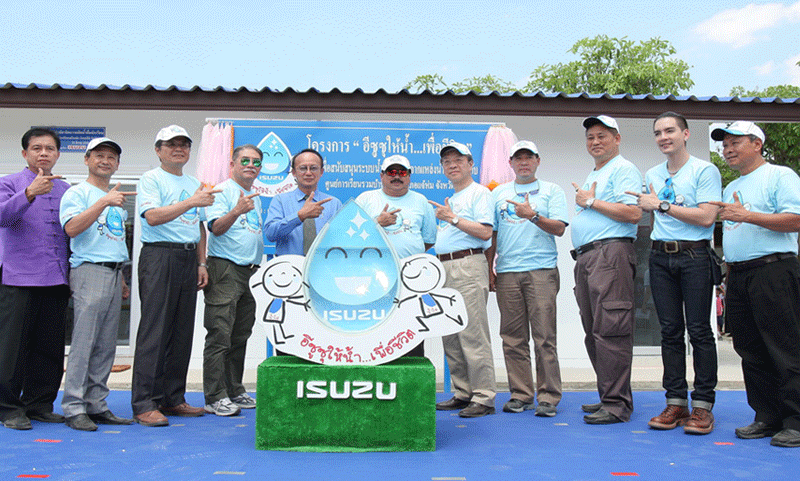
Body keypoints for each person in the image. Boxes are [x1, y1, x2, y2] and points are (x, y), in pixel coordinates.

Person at [628, 112, 721, 434]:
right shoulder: (653, 173)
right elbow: (652, 215)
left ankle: (703, 405)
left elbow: (707, 217)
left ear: (686, 134)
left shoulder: (704, 170)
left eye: (669, 131)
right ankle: (676, 402)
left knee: (699, 331)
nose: (663, 137)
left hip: (695, 256)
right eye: (658, 133)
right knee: (669, 332)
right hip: (660, 257)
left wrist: (661, 205)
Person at [709, 121, 800, 448]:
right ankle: (767, 415)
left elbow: (796, 218)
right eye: (724, 145)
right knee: (750, 348)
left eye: (735, 143)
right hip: (739, 274)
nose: (727, 150)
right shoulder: (732, 186)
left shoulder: (779, 176)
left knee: (784, 346)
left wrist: (747, 215)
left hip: (773, 270)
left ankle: (796, 420)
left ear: (757, 144)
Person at [132, 125, 220, 427]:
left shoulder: (195, 183)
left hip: (187, 258)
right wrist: (192, 201)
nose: (178, 149)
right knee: (155, 330)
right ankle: (145, 402)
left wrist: (201, 263)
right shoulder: (151, 178)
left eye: (184, 144)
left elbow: (199, 226)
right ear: (158, 150)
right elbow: (153, 217)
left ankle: (173, 397)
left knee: (182, 331)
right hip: (159, 255)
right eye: (171, 144)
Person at [59, 137, 136, 431]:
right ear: (87, 159)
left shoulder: (115, 198)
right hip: (89, 270)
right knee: (84, 342)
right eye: (99, 155)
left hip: (114, 272)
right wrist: (103, 201)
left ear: (118, 164)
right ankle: (74, 406)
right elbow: (72, 228)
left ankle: (96, 404)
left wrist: (122, 278)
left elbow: (113, 240)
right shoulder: (77, 193)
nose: (105, 161)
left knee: (105, 345)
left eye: (111, 157)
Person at [486, 140, 567, 417]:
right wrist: (490, 269)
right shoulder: (499, 193)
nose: (524, 162)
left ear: (537, 161)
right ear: (510, 163)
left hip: (541, 271)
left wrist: (532, 216)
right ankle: (520, 394)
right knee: (512, 338)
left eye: (529, 157)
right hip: (508, 272)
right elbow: (493, 234)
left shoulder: (552, 190)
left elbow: (559, 229)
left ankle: (548, 396)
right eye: (518, 158)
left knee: (544, 337)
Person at [571, 115, 642, 425]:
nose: (595, 141)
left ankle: (616, 404)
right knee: (594, 331)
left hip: (610, 254)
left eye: (602, 135)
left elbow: (633, 212)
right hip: (588, 258)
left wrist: (591, 202)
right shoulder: (597, 172)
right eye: (590, 137)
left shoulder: (623, 169)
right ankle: (608, 395)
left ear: (617, 138)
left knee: (612, 329)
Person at [0, 128, 70, 430]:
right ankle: (8, 408)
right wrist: (29, 193)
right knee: (12, 349)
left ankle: (39, 404)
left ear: (57, 154)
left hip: (56, 278)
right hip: (18, 277)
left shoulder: (66, 188)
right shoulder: (9, 183)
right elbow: (2, 216)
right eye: (37, 148)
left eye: (50, 148)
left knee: (49, 347)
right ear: (25, 153)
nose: (44, 153)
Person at [431, 141, 497, 418]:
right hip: (445, 267)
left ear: (471, 164)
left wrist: (452, 218)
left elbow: (485, 232)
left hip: (467, 265)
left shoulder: (479, 193)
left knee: (472, 333)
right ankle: (463, 392)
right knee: (451, 334)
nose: (452, 165)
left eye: (458, 160)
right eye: (447, 161)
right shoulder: (454, 197)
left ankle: (483, 396)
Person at [202, 145, 265, 416]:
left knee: (240, 334)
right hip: (225, 269)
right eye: (245, 160)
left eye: (256, 162)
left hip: (250, 272)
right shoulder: (222, 191)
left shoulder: (255, 196)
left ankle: (234, 390)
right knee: (220, 334)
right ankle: (215, 396)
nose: (251, 165)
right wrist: (237, 210)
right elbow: (216, 228)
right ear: (232, 164)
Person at [356, 154, 437, 357]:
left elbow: (428, 240)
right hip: (373, 276)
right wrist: (377, 222)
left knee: (411, 328)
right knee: (376, 328)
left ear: (409, 175)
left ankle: (412, 369)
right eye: (392, 172)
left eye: (402, 172)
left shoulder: (421, 201)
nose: (397, 176)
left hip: (411, 278)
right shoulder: (366, 199)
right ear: (382, 175)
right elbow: (352, 236)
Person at [264, 148, 342, 257]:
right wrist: (299, 216)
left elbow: (341, 240)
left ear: (321, 172)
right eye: (303, 168)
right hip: (289, 265)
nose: (308, 173)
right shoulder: (280, 200)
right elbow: (270, 234)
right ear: (294, 172)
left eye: (313, 168)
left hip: (323, 264)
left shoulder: (334, 203)